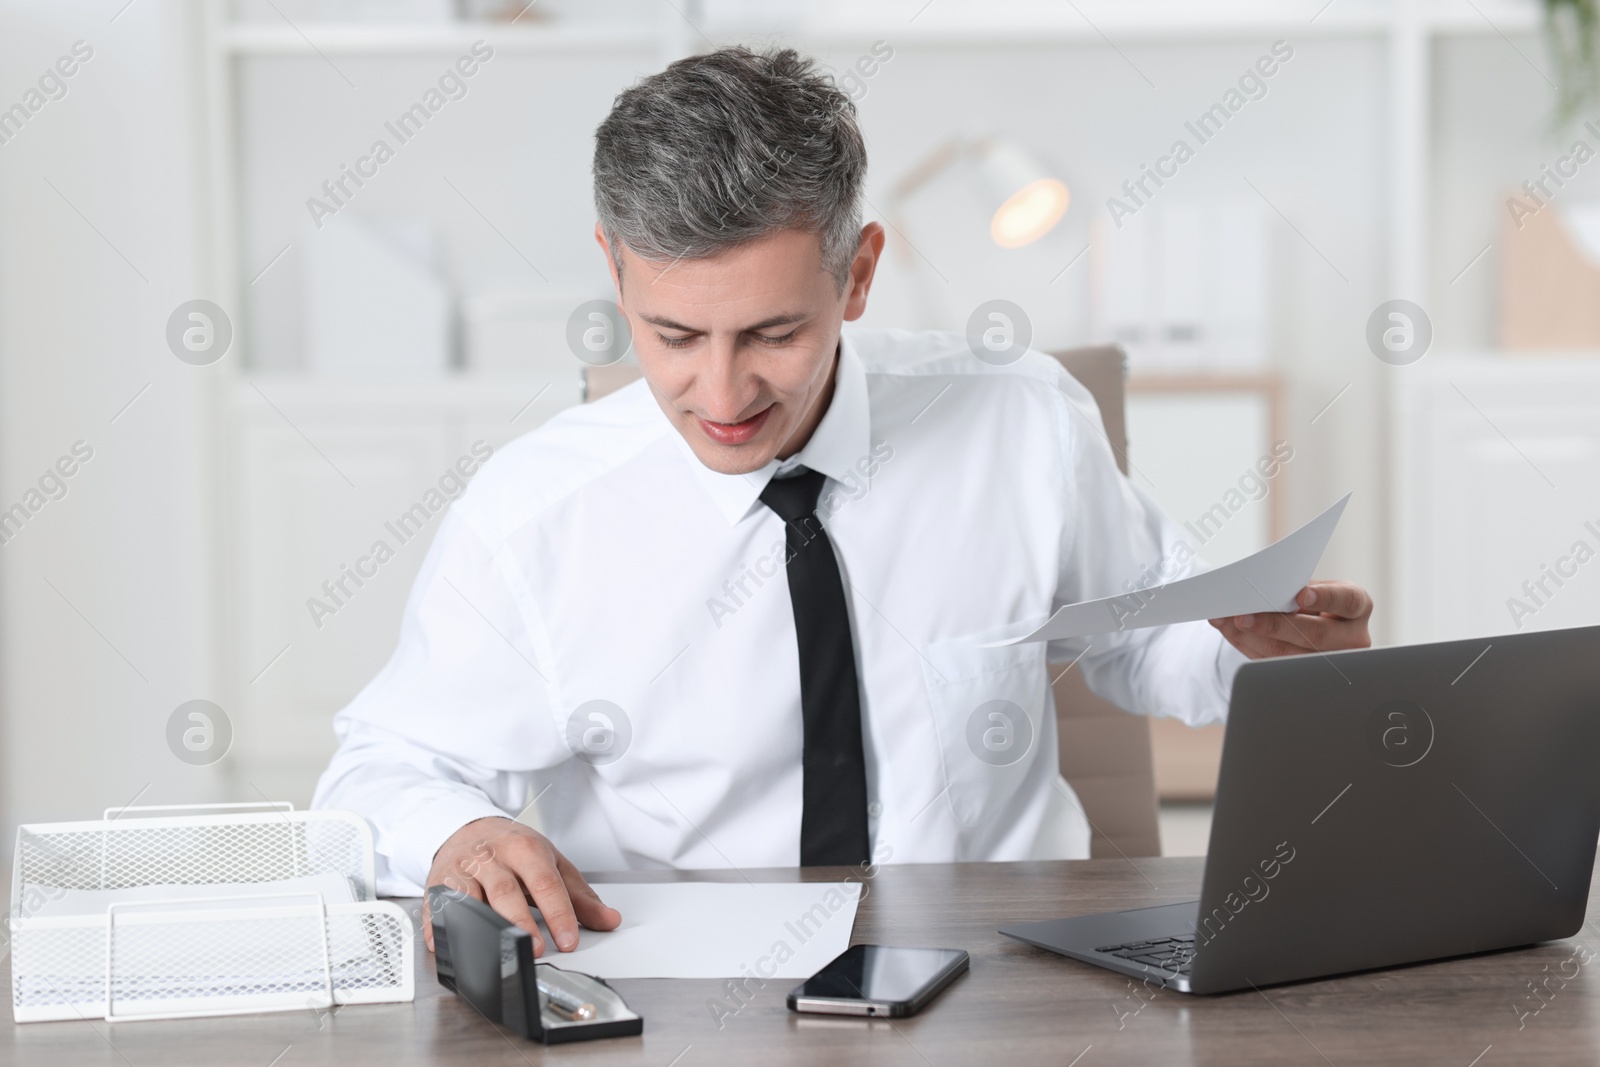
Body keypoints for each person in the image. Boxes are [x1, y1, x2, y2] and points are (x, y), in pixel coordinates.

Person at [313, 46, 1373, 957]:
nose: (722, 395)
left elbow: (1145, 636)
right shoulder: (533, 515)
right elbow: (382, 769)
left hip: (1004, 970)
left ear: (858, 275)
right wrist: (455, 833)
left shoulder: (1021, 423)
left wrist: (1258, 657)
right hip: (684, 985)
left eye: (773, 333)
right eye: (674, 336)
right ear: (614, 271)